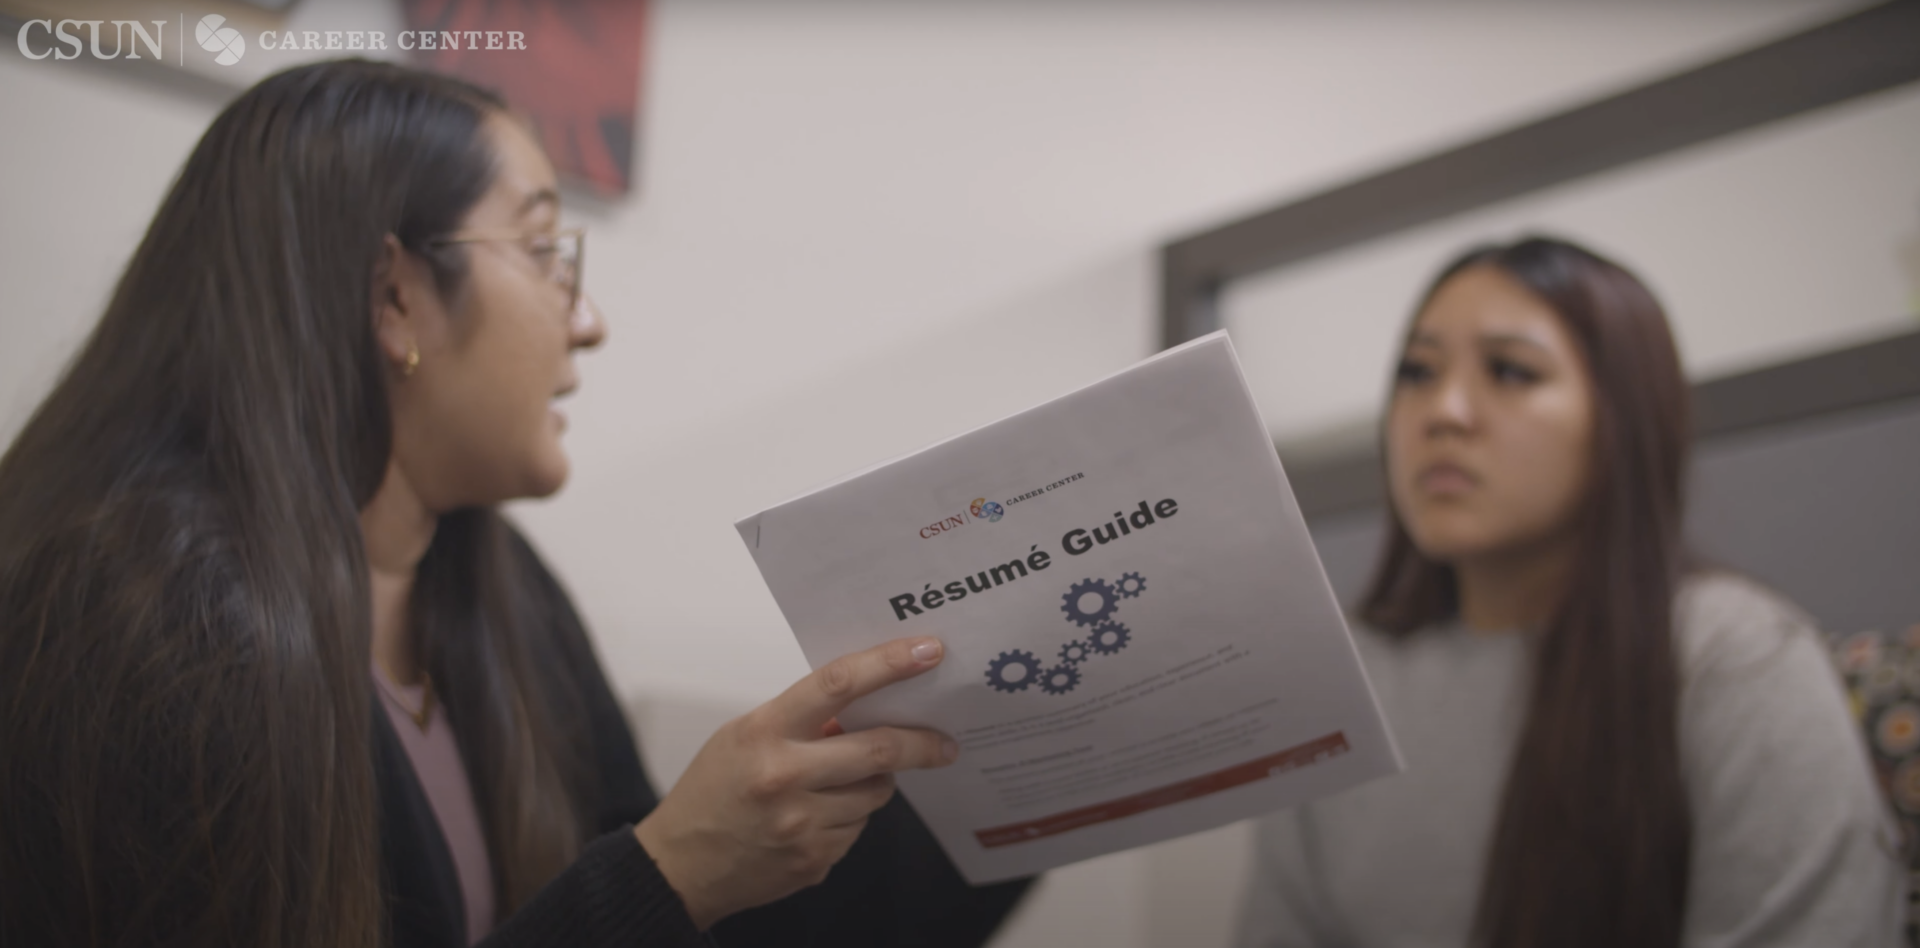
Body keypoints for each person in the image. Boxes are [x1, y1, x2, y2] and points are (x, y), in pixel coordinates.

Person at [0, 60, 1028, 947]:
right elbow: (647, 897)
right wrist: (662, 877)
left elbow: (690, 918)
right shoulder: (122, 619)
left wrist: (1017, 753)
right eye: (544, 253)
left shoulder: (500, 586)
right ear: (393, 296)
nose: (588, 322)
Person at [1232, 237, 1904, 948]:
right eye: (1416, 372)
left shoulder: (1735, 659)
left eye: (1512, 371)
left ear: (1621, 420)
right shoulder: (1341, 679)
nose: (1444, 411)